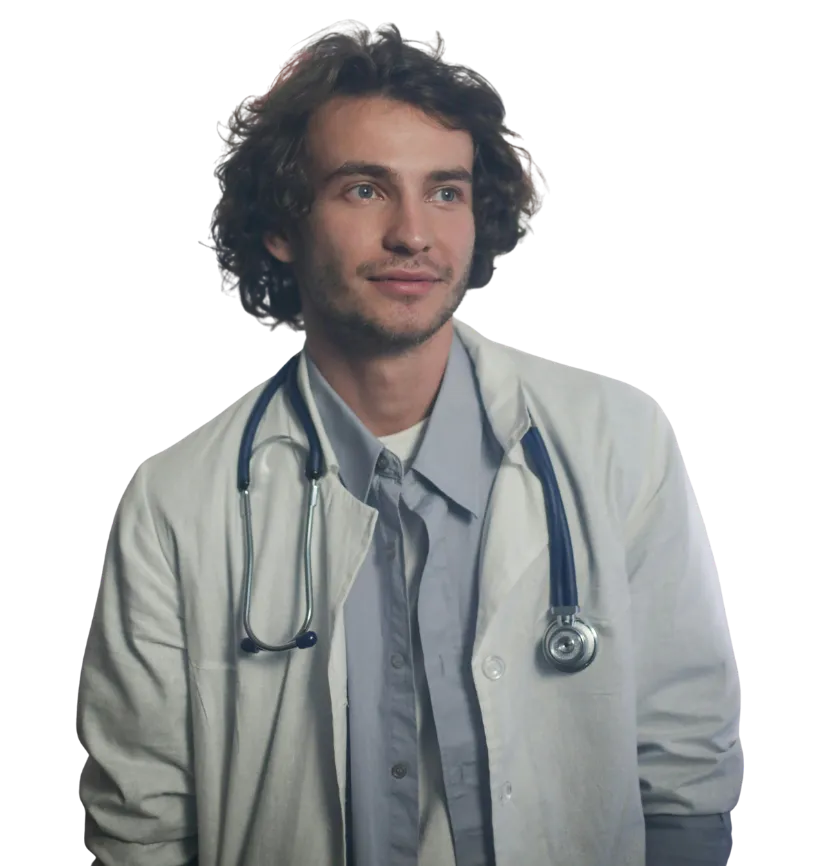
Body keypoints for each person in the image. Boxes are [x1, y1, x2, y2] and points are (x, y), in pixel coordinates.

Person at [79, 21, 743, 866]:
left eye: (445, 192)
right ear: (282, 225)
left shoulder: (617, 437)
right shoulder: (175, 500)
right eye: (364, 189)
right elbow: (138, 826)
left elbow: (685, 768)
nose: (413, 235)